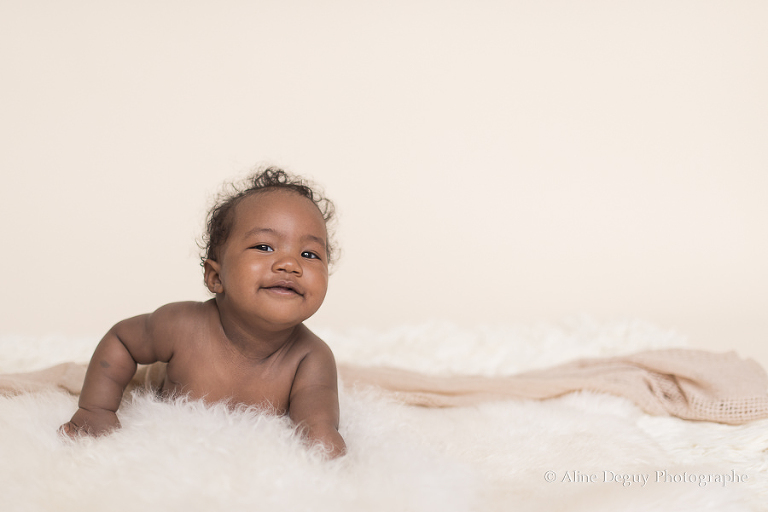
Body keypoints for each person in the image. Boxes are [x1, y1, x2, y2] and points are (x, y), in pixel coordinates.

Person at [59, 167, 346, 458]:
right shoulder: (181, 326)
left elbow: (318, 423)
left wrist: (326, 445)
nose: (290, 264)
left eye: (309, 254)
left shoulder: (311, 358)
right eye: (264, 246)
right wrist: (96, 409)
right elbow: (122, 340)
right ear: (215, 277)